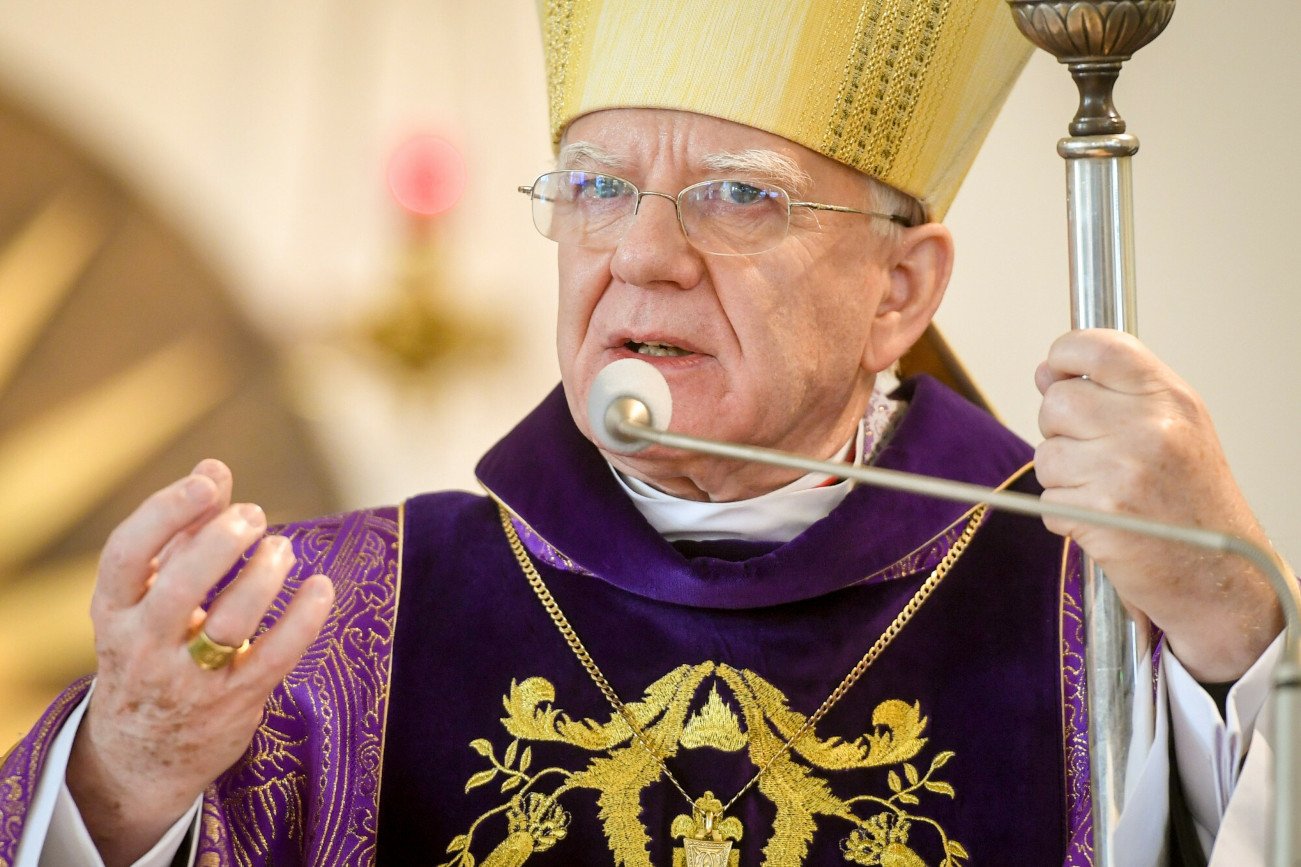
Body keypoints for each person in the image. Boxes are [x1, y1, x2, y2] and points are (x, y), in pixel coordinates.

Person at [1, 1, 1287, 865]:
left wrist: (1239, 628)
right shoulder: (339, 621)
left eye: (736, 197)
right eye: (597, 189)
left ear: (898, 291)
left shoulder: (1094, 613)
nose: (644, 254)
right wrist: (123, 777)